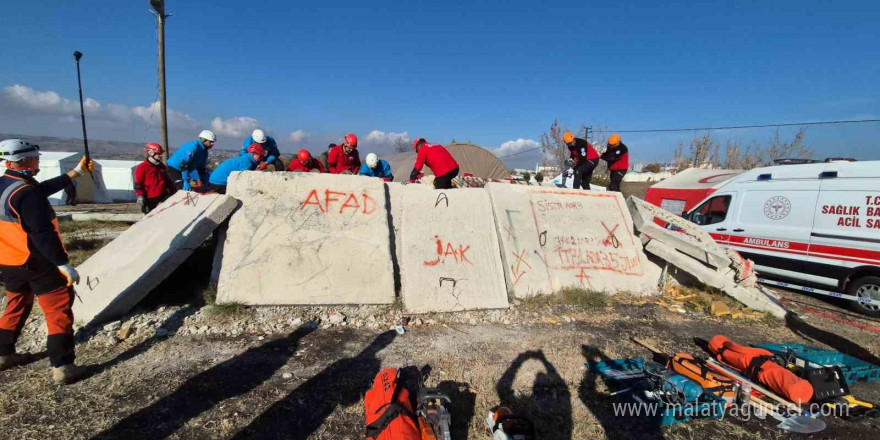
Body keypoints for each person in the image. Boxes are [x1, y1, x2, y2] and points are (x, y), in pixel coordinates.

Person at [0, 139, 93, 384]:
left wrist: (73, 174)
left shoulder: (8, 185)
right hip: (37, 262)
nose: (38, 162)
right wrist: (63, 264)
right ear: (27, 159)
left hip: (9, 260)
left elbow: (37, 191)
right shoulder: (27, 193)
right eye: (36, 158)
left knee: (16, 305)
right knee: (58, 311)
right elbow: (42, 232)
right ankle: (63, 366)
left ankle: (3, 353)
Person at [134, 143, 176, 214]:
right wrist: (140, 195)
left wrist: (173, 191)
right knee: (149, 218)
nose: (161, 155)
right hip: (150, 198)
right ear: (150, 153)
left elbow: (167, 180)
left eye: (161, 153)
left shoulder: (161, 166)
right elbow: (138, 183)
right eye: (158, 154)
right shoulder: (142, 167)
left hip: (163, 195)